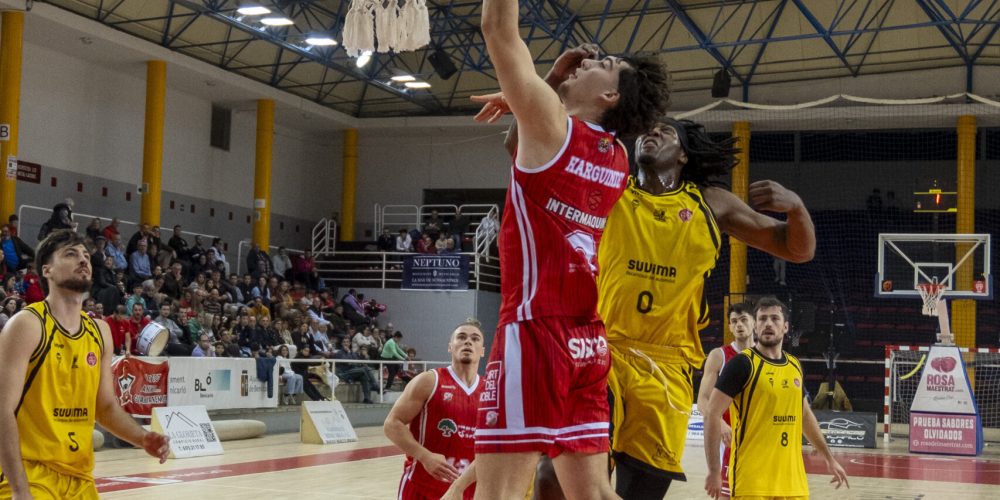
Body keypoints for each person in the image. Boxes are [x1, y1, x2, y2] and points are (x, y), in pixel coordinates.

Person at [474, 0, 671, 492]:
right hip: (588, 339)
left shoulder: (552, 127)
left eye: (601, 65)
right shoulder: (619, 157)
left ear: (609, 94)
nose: (587, 61)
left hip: (534, 330)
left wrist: (538, 88)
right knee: (596, 493)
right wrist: (542, 90)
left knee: (497, 491)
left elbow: (497, 26)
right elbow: (525, 150)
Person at [0, 230, 169, 498]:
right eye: (70, 253)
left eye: (86, 255)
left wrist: (143, 437)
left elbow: (105, 407)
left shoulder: (99, 332)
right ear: (47, 270)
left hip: (80, 479)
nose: (83, 260)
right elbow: (2, 410)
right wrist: (21, 492)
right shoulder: (27, 325)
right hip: (31, 475)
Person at [704, 297, 849, 499]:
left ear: (786, 326)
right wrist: (713, 471)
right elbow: (712, 413)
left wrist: (829, 458)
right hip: (752, 481)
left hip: (792, 481)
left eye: (774, 318)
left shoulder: (794, 366)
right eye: (762, 319)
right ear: (756, 326)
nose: (768, 324)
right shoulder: (741, 364)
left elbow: (805, 416)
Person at [385, 319, 486, 500]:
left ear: (483, 351)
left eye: (475, 338)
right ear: (450, 347)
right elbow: (392, 424)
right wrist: (424, 456)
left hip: (469, 490)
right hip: (421, 487)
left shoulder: (489, 391)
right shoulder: (429, 381)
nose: (468, 342)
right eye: (461, 337)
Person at [696, 302, 755, 497]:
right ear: (729, 327)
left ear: (754, 323)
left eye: (744, 320)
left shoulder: (765, 356)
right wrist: (719, 423)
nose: (739, 325)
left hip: (757, 438)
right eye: (734, 321)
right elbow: (703, 400)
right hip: (728, 439)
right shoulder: (718, 356)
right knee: (725, 494)